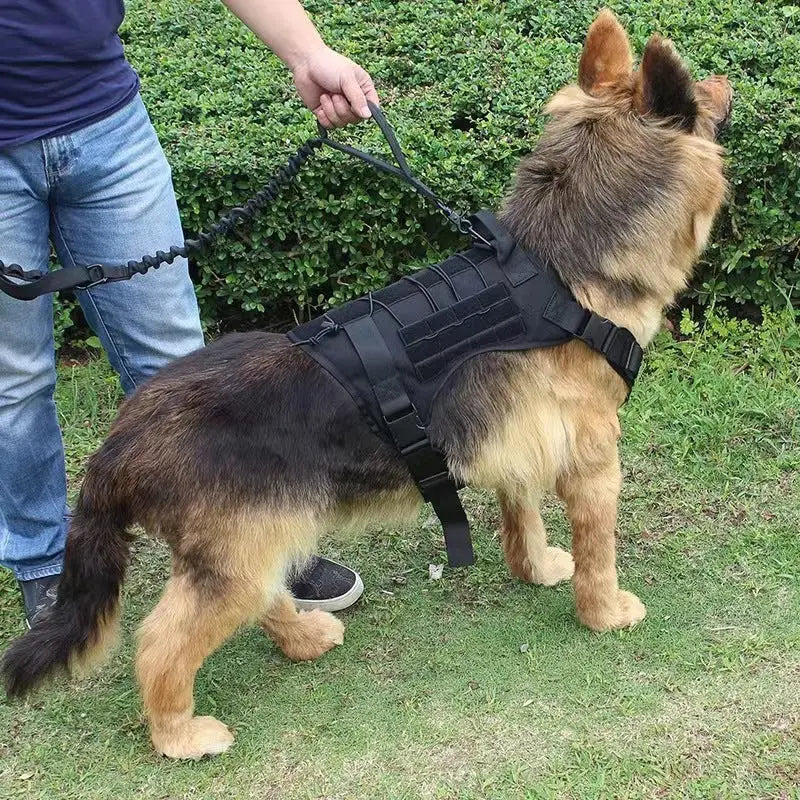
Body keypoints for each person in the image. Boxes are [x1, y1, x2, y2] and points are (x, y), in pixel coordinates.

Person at [0, 0, 378, 627]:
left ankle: (253, 530)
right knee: (13, 381)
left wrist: (309, 53)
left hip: (105, 123)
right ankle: (46, 563)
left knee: (179, 362)